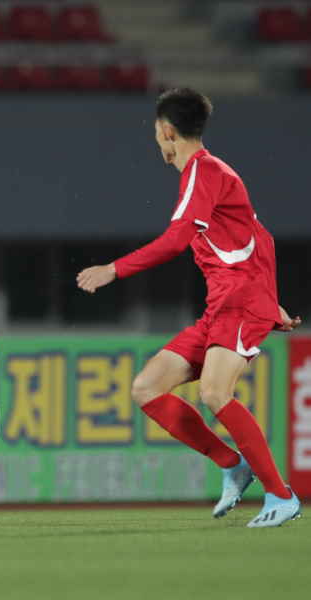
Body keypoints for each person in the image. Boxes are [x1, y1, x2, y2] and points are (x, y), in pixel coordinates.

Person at [76, 87, 301, 527]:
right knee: (147, 388)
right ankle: (232, 464)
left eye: (156, 135)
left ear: (165, 132)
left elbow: (178, 240)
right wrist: (273, 303)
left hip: (240, 302)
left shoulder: (204, 171)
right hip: (224, 305)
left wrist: (114, 269)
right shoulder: (208, 175)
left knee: (215, 393)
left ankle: (282, 495)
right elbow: (260, 236)